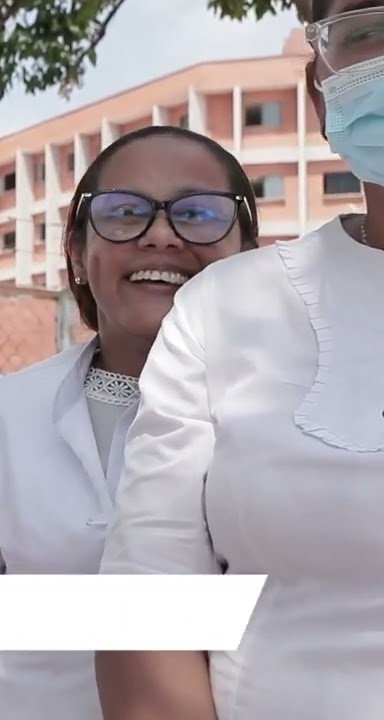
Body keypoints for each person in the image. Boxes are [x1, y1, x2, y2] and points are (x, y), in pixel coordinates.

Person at [95, 3, 384, 717]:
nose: (159, 238)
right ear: (323, 93)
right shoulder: (224, 310)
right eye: (369, 28)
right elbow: (150, 602)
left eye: (190, 214)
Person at [0, 125, 259, 720]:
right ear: (79, 255)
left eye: (200, 213)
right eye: (125, 211)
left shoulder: (291, 417)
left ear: (248, 257)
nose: (161, 235)